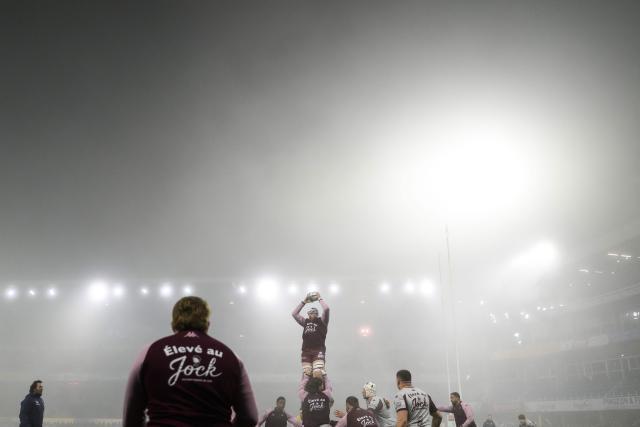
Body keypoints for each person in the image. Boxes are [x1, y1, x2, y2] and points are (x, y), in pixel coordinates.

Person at [123, 296, 258, 427]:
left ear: (173, 324)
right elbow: (250, 417)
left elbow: (131, 415)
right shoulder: (232, 357)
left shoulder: (149, 352)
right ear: (207, 324)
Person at [292, 292, 330, 378]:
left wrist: (320, 298)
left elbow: (326, 309)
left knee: (318, 373)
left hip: (318, 350)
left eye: (314, 312)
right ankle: (306, 391)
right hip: (306, 351)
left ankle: (322, 390)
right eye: (310, 312)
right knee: (307, 375)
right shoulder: (305, 322)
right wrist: (304, 302)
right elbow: (294, 314)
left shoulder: (322, 321)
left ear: (317, 314)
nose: (312, 314)